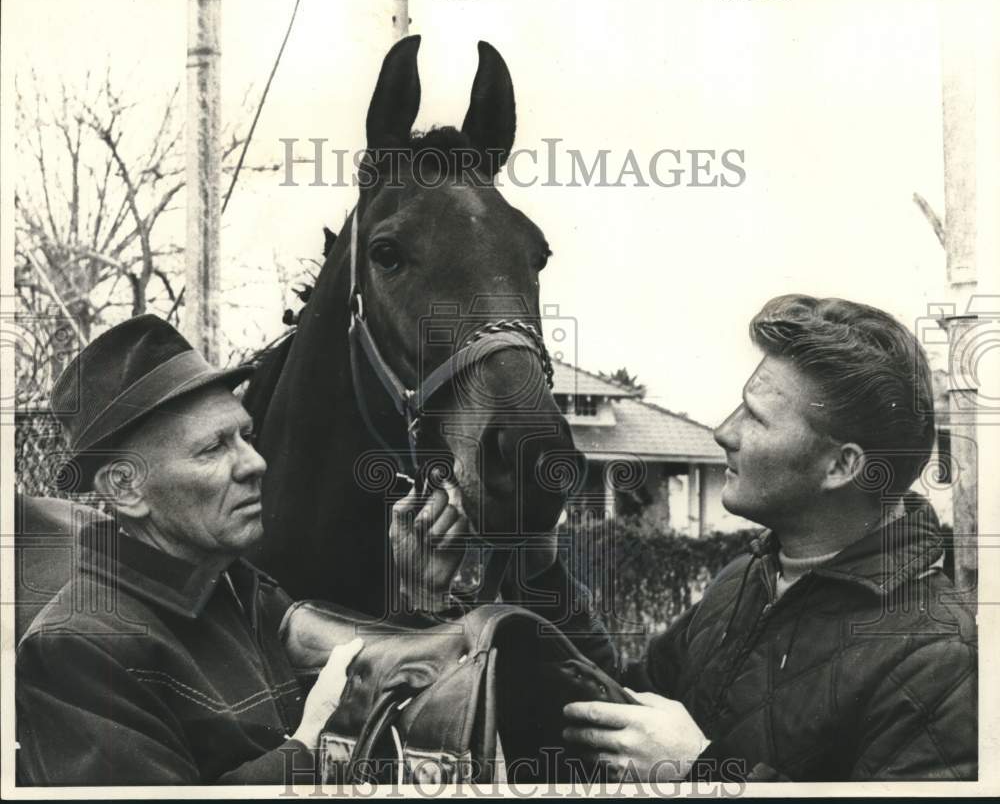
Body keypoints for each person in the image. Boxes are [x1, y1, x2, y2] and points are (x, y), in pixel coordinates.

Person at [15, 315, 467, 785]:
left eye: (245, 437)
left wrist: (423, 596)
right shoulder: (75, 650)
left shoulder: (238, 586)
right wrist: (309, 748)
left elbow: (389, 680)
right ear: (126, 487)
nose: (255, 463)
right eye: (213, 449)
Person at [561, 294, 977, 782]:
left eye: (756, 418)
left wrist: (702, 772)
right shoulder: (744, 579)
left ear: (841, 466)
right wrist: (535, 564)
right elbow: (618, 715)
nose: (723, 432)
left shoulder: (941, 659)